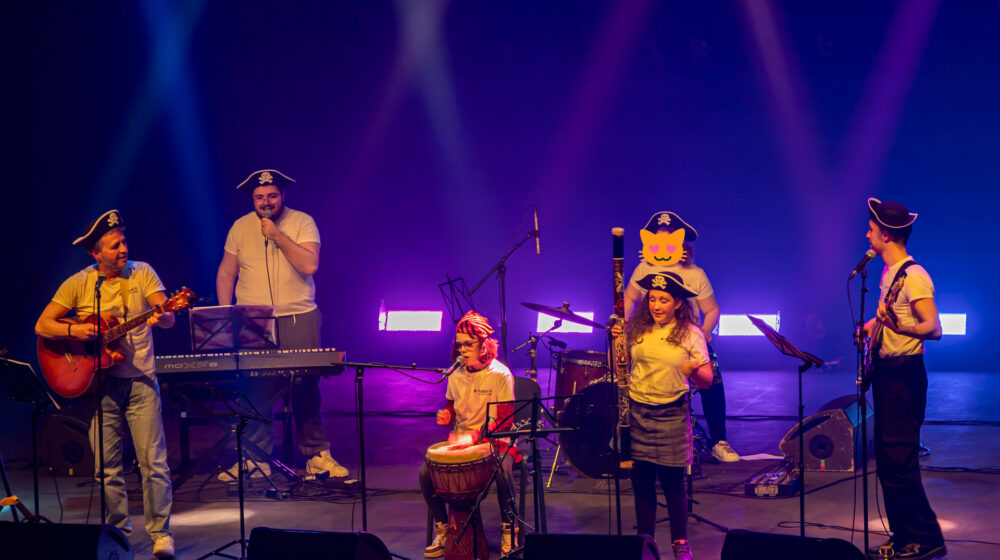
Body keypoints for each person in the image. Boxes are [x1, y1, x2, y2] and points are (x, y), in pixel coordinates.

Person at [35, 210, 176, 558]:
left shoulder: (143, 272)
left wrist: (163, 316)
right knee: (107, 468)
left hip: (141, 381)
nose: (123, 249)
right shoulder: (80, 283)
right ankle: (118, 533)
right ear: (95, 253)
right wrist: (76, 330)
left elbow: (167, 315)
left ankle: (161, 534)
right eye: (115, 246)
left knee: (153, 463)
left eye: (124, 242)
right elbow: (42, 325)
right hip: (101, 385)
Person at [215, 169, 347, 480]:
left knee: (304, 386)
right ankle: (255, 458)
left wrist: (276, 235)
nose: (266, 202)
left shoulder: (302, 221)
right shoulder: (240, 227)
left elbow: (309, 264)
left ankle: (316, 455)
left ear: (282, 195)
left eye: (272, 196)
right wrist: (225, 313)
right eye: (259, 197)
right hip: (253, 320)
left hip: (298, 315)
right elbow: (226, 272)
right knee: (255, 389)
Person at [863, 198, 946, 560]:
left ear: (885, 234)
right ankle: (903, 536)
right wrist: (873, 326)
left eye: (871, 229)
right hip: (887, 374)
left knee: (900, 460)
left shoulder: (914, 276)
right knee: (887, 461)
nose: (867, 234)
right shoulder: (889, 273)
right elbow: (890, 317)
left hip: (904, 378)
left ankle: (927, 539)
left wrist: (900, 329)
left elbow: (933, 328)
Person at [613, 271, 713, 560]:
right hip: (638, 414)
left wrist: (693, 371)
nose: (656, 305)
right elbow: (619, 367)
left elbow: (707, 382)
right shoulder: (637, 328)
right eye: (652, 299)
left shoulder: (690, 333)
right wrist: (616, 343)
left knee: (673, 485)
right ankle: (645, 542)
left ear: (678, 303)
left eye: (664, 300)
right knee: (642, 484)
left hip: (671, 415)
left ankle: (680, 543)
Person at [624, 211, 738, 463]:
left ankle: (719, 441)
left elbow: (712, 310)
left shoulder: (695, 274)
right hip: (650, 337)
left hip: (687, 340)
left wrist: (705, 331)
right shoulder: (643, 269)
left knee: (712, 379)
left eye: (669, 238)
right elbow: (629, 297)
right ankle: (625, 437)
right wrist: (624, 322)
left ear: (681, 243)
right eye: (658, 237)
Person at [419, 311, 518, 558]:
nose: (462, 350)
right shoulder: (456, 373)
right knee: (425, 473)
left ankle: (510, 531)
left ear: (483, 345)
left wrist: (473, 438)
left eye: (468, 344)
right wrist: (448, 416)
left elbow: (505, 422)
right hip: (462, 440)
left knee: (502, 473)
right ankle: (443, 529)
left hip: (495, 442)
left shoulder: (500, 374)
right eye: (459, 345)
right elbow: (452, 407)